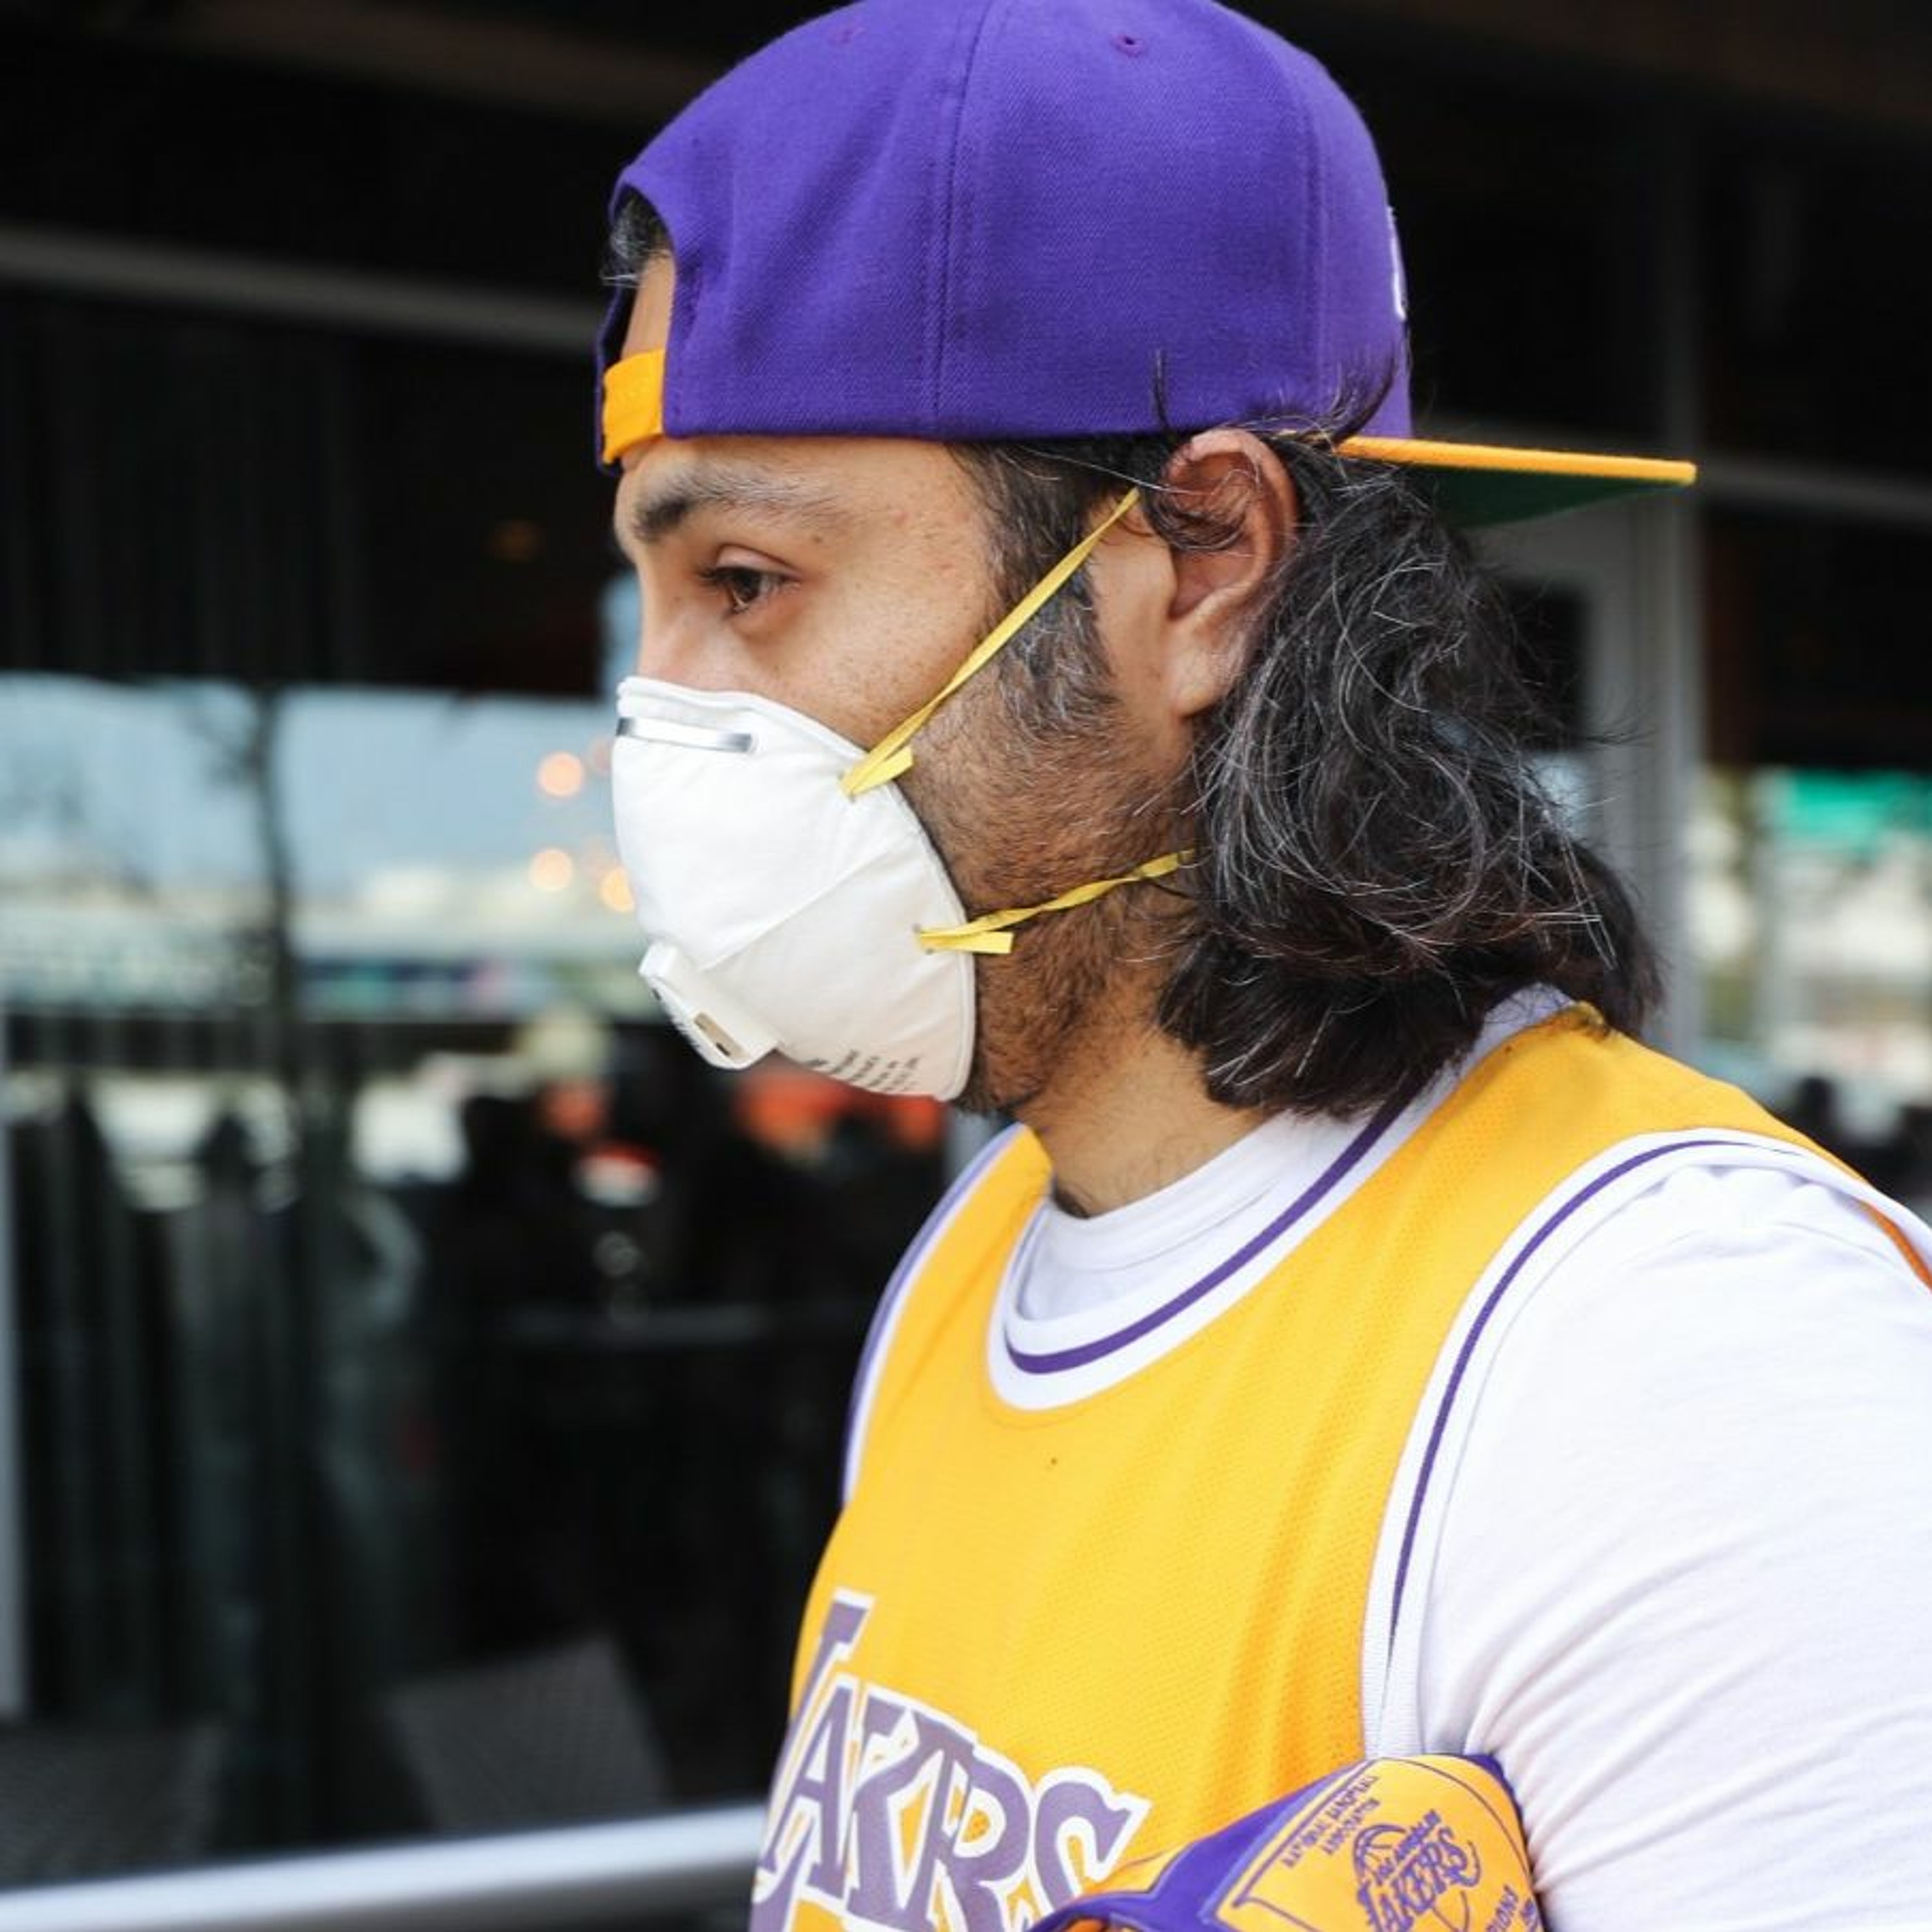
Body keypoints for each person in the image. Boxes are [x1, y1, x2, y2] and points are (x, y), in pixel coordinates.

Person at [589, 3, 1932, 1928]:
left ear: (1206, 560)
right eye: (652, 603)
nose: (660, 716)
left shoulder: (1688, 1362)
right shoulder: (978, 1258)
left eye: (743, 583)